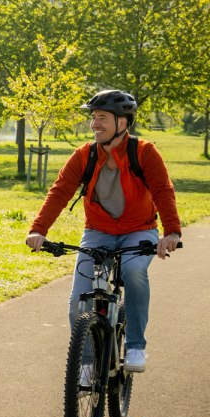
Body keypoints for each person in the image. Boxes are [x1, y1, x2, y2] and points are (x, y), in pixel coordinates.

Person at [25, 89, 181, 374]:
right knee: (78, 300)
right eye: (94, 118)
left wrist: (171, 232)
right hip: (97, 232)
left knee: (134, 271)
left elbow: (162, 191)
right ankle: (85, 362)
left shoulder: (144, 152)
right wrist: (38, 230)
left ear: (123, 122)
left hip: (139, 231)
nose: (95, 124)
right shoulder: (85, 155)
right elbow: (60, 192)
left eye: (102, 118)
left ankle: (134, 345)